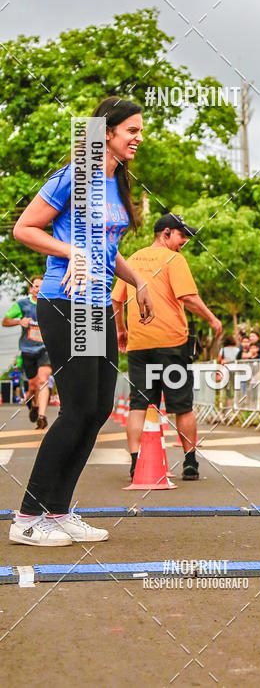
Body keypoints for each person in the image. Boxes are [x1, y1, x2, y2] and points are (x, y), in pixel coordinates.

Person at [9, 97, 154, 547]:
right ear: (104, 133)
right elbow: (25, 228)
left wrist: (138, 282)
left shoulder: (116, 183)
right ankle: (29, 517)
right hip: (64, 301)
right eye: (130, 129)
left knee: (96, 410)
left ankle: (58, 510)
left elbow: (108, 250)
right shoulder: (75, 175)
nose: (138, 137)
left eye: (140, 129)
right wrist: (72, 251)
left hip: (97, 306)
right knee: (75, 410)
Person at [112, 212, 222, 481]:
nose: (184, 240)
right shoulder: (174, 259)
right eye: (181, 235)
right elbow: (188, 297)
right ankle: (189, 462)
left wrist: (121, 331)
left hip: (140, 344)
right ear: (166, 233)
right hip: (172, 343)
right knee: (182, 405)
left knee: (140, 403)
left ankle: (136, 462)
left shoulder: (131, 260)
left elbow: (116, 301)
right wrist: (211, 318)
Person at [3, 276, 52, 428]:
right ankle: (34, 405)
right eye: (35, 286)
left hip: (45, 349)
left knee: (43, 381)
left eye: (42, 287)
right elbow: (5, 321)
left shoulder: (51, 305)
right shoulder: (22, 305)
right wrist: (19, 321)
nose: (38, 290)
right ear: (31, 289)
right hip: (28, 350)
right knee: (32, 386)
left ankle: (42, 417)